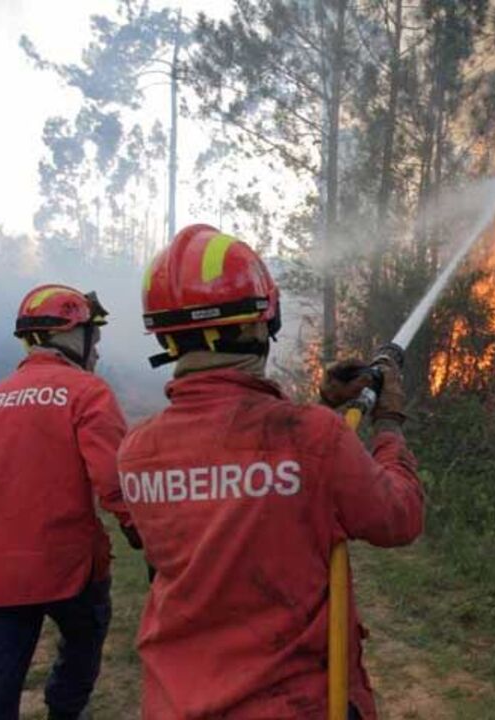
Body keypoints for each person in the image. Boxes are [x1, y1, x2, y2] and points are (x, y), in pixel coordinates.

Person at [118, 224, 423, 719]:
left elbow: (236, 451)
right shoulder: (311, 439)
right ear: (264, 322)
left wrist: (323, 405)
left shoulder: (137, 450)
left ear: (165, 337)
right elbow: (398, 517)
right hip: (291, 703)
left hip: (175, 702)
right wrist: (387, 423)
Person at [0, 284, 141, 720]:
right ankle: (64, 710)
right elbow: (115, 482)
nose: (96, 352)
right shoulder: (87, 393)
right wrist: (142, 534)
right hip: (67, 568)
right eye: (94, 337)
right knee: (85, 639)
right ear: (74, 336)